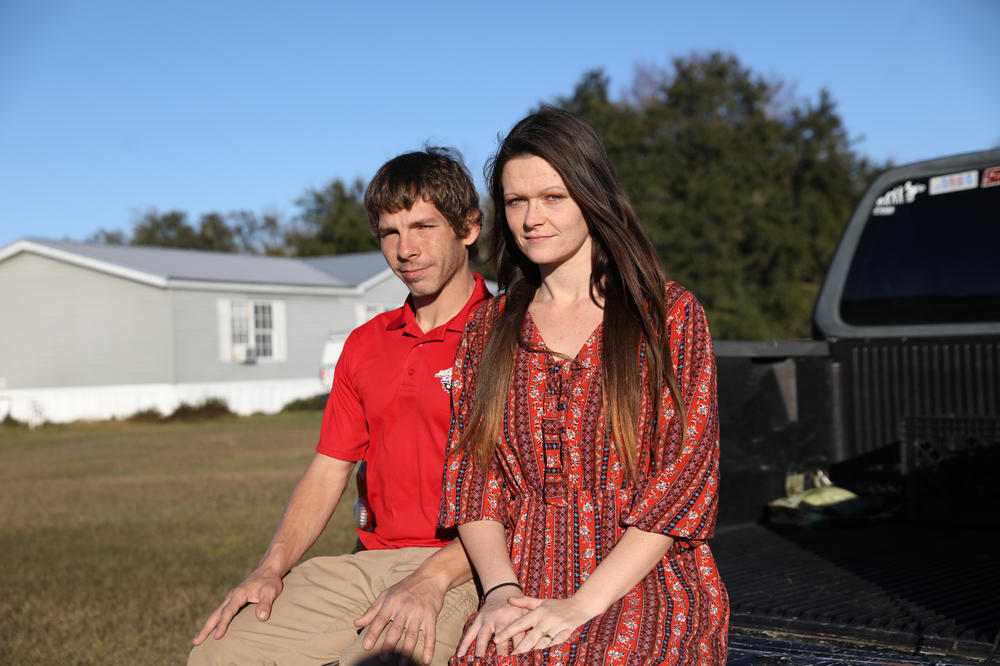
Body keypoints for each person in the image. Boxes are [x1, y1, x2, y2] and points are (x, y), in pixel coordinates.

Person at [439, 108, 729, 664]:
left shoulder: (667, 316)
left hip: (643, 575)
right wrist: (499, 591)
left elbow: (684, 478)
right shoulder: (487, 330)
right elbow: (475, 479)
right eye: (516, 201)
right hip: (522, 572)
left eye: (553, 197)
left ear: (592, 198)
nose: (531, 218)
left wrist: (582, 605)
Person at [189, 147, 488, 666]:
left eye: (423, 227)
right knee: (218, 654)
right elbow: (328, 472)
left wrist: (431, 579)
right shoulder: (365, 343)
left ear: (468, 227)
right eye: (389, 233)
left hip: (464, 565)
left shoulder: (509, 337)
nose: (406, 250)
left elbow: (532, 499)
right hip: (369, 559)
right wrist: (270, 569)